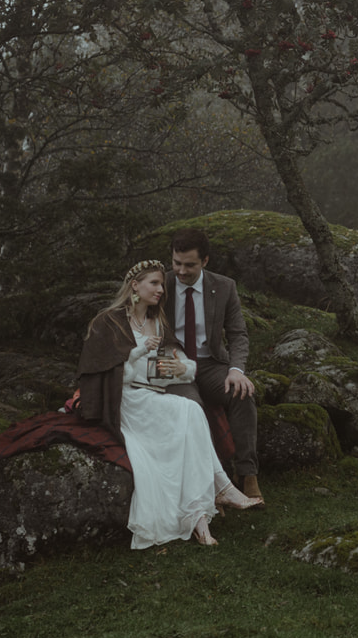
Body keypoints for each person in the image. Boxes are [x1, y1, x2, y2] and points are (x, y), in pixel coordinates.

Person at [78, 259, 260, 547]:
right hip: (126, 401)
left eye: (162, 284)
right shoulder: (109, 321)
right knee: (188, 413)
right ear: (134, 286)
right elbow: (107, 374)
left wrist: (178, 370)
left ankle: (200, 517)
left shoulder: (157, 321)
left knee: (190, 410)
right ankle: (219, 491)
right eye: (155, 283)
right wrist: (139, 355)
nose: (162, 289)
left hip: (151, 394)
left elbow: (169, 365)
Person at [164, 228, 265, 506]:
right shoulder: (162, 285)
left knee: (242, 394)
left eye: (189, 265)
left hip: (211, 364)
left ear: (205, 261)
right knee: (193, 410)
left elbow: (238, 334)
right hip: (176, 366)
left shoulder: (224, 287)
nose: (181, 271)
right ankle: (210, 485)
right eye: (176, 263)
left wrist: (236, 370)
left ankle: (248, 474)